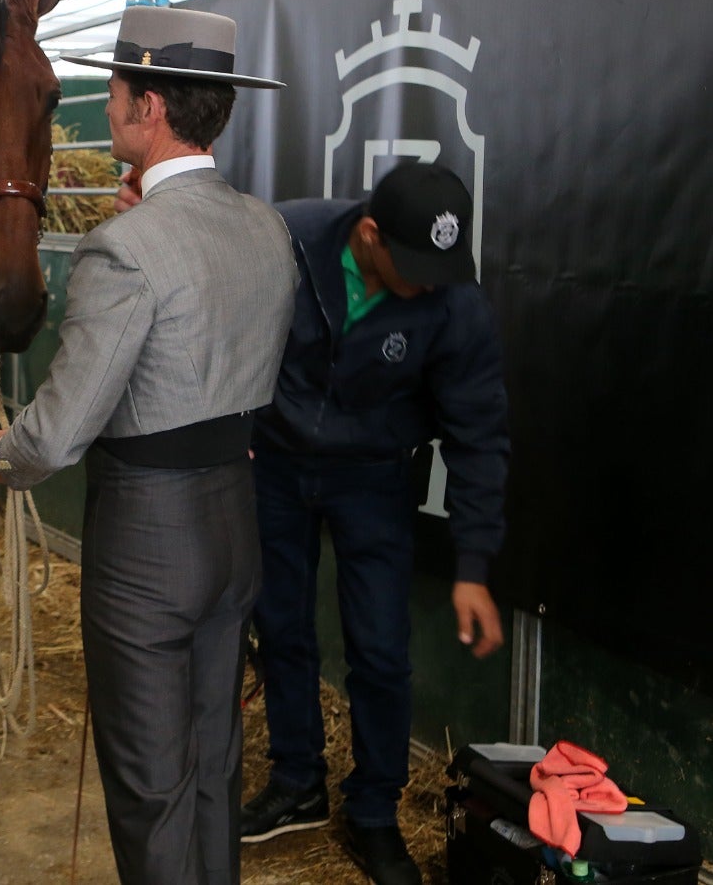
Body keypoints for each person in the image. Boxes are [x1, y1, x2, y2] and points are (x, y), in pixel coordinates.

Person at [0, 3, 296, 885]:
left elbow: (61, 430)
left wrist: (3, 455)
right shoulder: (266, 228)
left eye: (115, 91)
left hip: (149, 546)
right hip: (234, 522)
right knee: (212, 765)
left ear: (147, 107)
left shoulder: (124, 248)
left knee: (151, 785)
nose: (107, 105)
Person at [238, 161, 509, 885]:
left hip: (375, 475)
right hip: (277, 462)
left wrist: (474, 567)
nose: (429, 283)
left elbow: (479, 435)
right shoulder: (286, 238)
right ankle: (297, 781)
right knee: (284, 628)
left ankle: (374, 811)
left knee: (381, 651)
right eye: (414, 265)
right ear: (367, 235)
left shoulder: (453, 302)